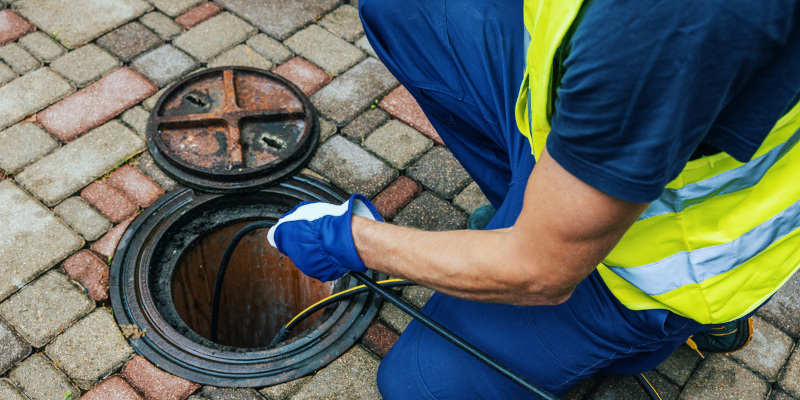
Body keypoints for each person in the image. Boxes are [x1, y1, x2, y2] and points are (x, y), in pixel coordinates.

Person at [268, 0, 800, 398]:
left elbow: (539, 273)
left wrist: (349, 239)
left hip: (655, 270)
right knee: (403, 9)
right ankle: (546, 214)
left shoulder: (664, 26)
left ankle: (657, 334)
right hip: (595, 136)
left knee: (419, 386)